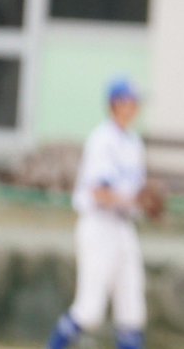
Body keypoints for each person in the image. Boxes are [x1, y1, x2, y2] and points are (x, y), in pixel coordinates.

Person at [48, 77, 149, 349]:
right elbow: (99, 192)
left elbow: (135, 194)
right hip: (99, 225)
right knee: (89, 311)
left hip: (123, 227)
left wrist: (146, 203)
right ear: (116, 104)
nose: (135, 107)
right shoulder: (102, 139)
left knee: (132, 312)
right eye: (130, 101)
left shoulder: (134, 142)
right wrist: (135, 201)